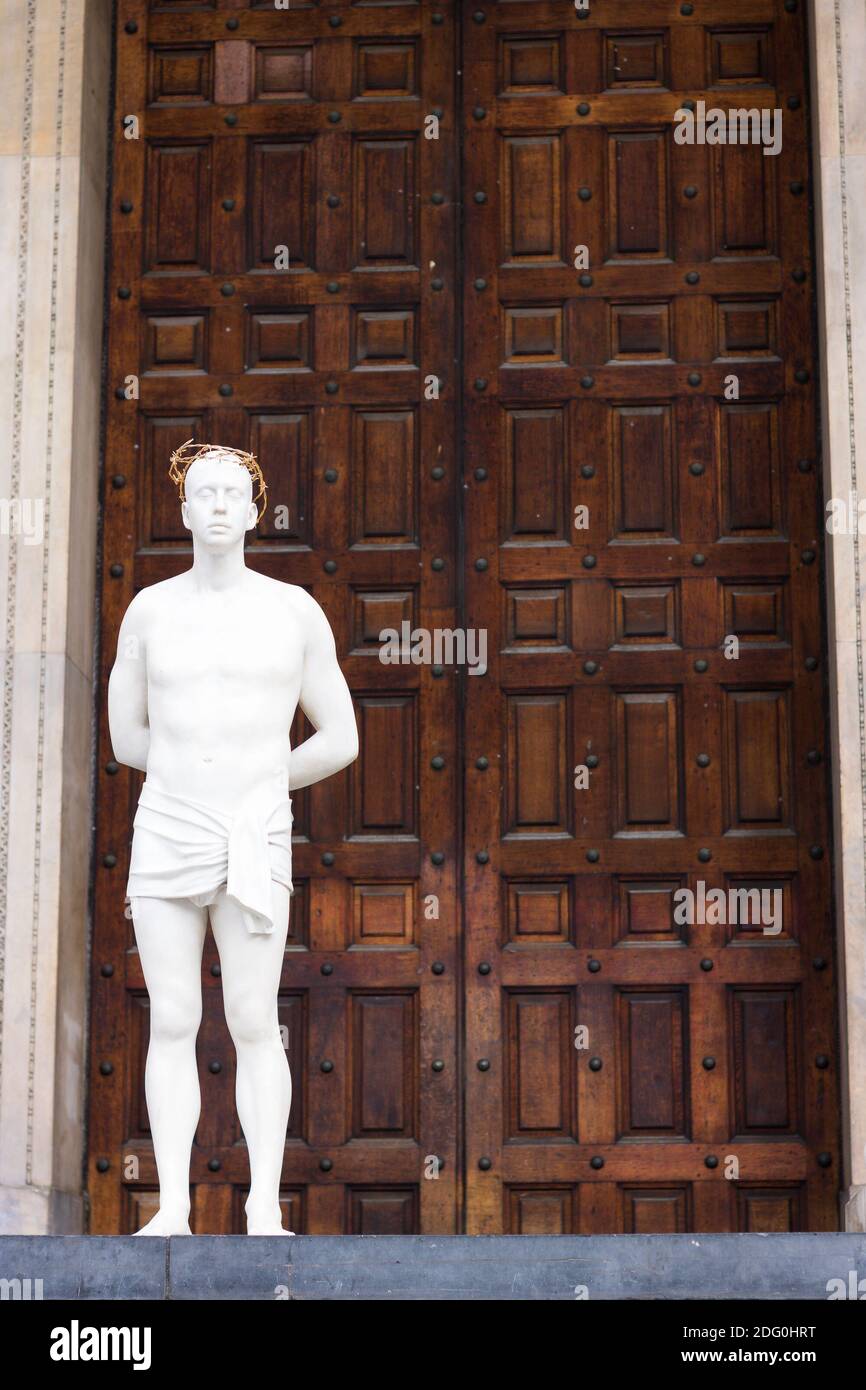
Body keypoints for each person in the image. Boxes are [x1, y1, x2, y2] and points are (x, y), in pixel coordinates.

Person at [107, 441, 359, 1235]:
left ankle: (260, 1203)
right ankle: (174, 1206)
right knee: (174, 1015)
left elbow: (341, 735)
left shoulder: (293, 612)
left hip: (255, 828)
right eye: (203, 493)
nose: (217, 505)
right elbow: (126, 739)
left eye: (231, 494)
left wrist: (257, 781)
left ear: (255, 513)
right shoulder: (149, 609)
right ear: (183, 512)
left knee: (252, 1015)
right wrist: (193, 779)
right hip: (171, 827)